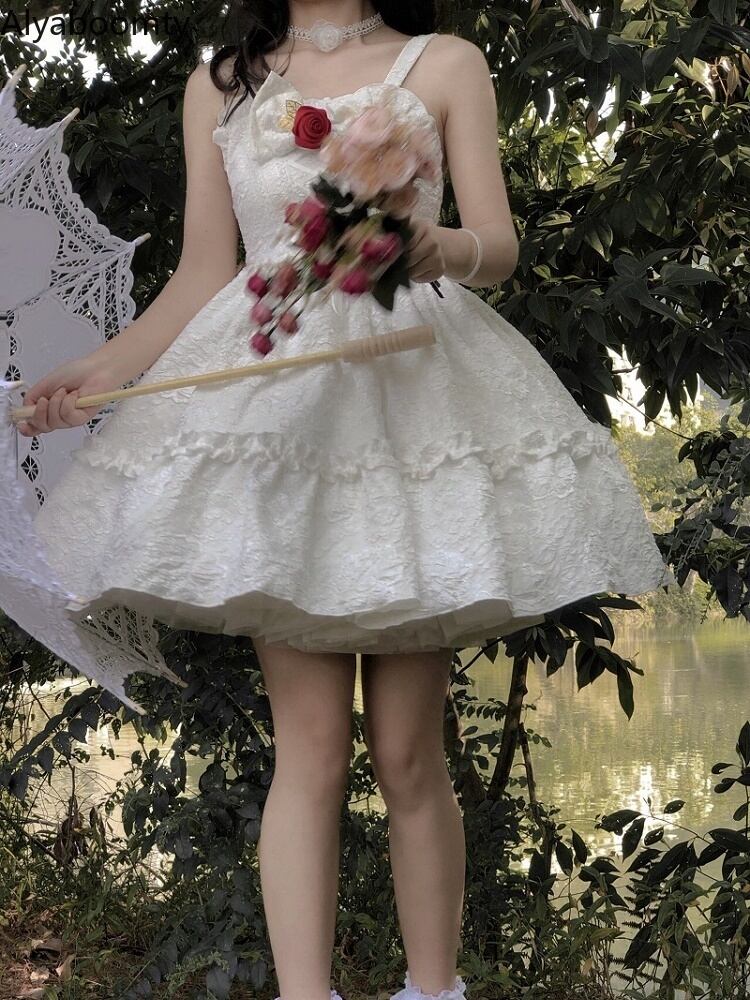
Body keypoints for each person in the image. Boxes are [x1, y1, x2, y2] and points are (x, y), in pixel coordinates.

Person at [13, 2, 673, 998]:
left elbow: (499, 245)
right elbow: (203, 275)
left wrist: (435, 248)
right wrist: (98, 375)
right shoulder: (220, 83)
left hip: (411, 401)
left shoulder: (444, 63)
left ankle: (433, 990)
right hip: (280, 415)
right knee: (311, 749)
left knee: (409, 752)